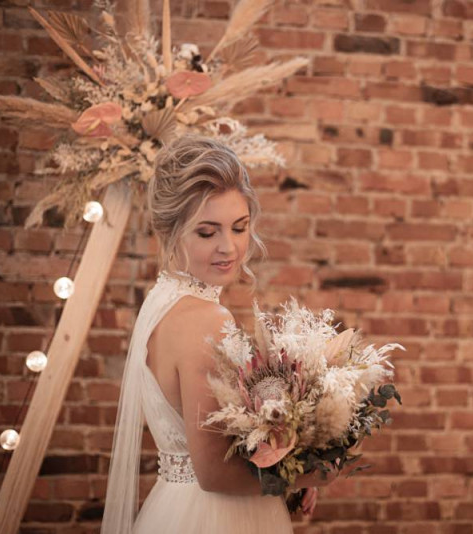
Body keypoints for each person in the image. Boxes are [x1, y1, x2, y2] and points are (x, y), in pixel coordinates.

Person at [101, 135, 334, 533]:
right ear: (170, 232)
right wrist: (312, 474)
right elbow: (214, 474)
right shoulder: (205, 319)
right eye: (207, 233)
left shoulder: (161, 301)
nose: (229, 247)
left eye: (239, 227)